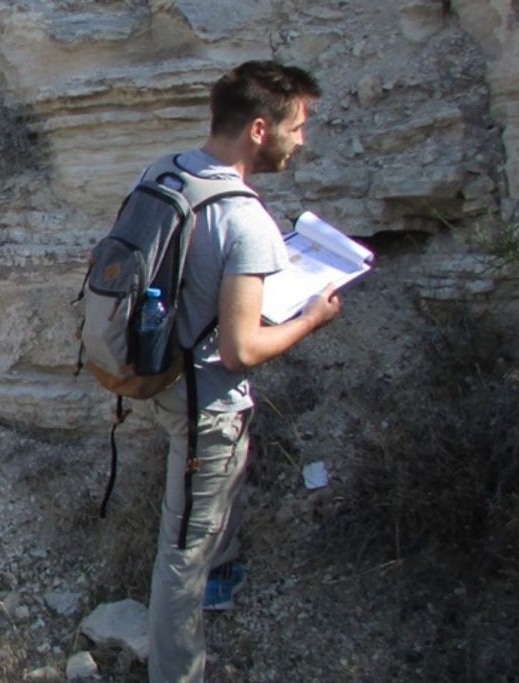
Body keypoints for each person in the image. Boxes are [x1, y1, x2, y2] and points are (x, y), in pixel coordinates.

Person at [134, 60, 342, 683]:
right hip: (206, 405)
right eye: (296, 127)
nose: (300, 140)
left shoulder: (166, 170)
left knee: (211, 508)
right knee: (182, 555)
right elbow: (240, 350)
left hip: (157, 373)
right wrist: (311, 318)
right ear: (258, 128)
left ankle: (220, 583)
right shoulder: (247, 218)